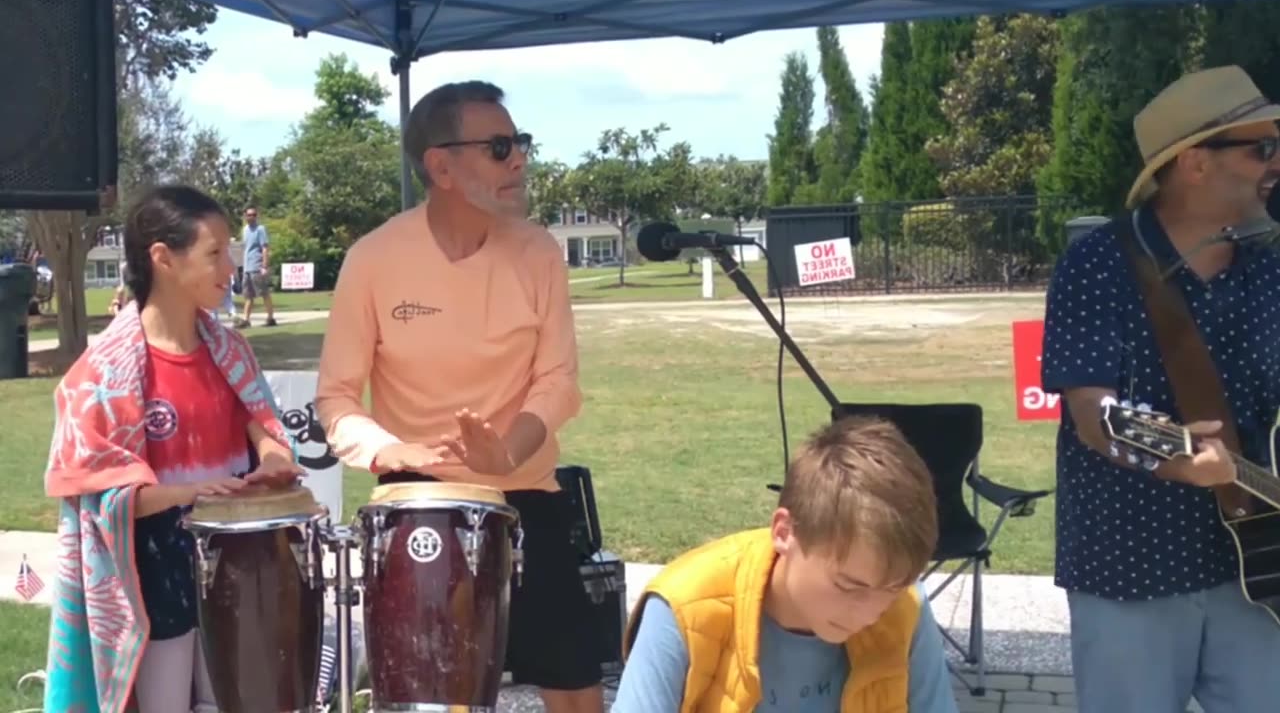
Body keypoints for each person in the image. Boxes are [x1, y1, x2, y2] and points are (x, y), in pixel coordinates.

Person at [314, 81, 599, 713]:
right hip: (417, 498)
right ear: (440, 166)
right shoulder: (372, 259)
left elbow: (559, 382)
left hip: (526, 490)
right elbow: (336, 400)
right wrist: (400, 450)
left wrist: (505, 454)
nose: (519, 160)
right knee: (434, 695)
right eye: (500, 147)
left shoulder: (540, 253)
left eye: (519, 143)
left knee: (577, 688)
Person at [1040, 65, 1280, 713]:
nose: (1276, 162)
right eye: (1262, 147)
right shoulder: (1097, 268)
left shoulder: (1270, 265)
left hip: (1260, 569)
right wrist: (1177, 455)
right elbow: (1094, 415)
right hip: (1130, 570)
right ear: (1195, 162)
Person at [41, 184, 303, 713]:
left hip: (238, 567)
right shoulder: (103, 374)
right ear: (162, 257)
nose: (230, 266)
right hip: (155, 574)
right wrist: (190, 491)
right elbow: (105, 494)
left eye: (230, 249)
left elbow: (267, 433)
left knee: (235, 696)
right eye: (214, 252)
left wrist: (275, 464)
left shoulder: (230, 351)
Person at [611, 416, 956, 713]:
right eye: (849, 586)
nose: (869, 614)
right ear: (785, 532)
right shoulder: (685, 607)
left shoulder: (906, 605)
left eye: (890, 589)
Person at [238, 206, 277, 328]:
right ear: (245, 216)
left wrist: (264, 265)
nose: (252, 217)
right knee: (248, 295)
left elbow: (265, 247)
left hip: (257, 265)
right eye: (249, 215)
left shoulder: (260, 229)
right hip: (247, 267)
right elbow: (245, 248)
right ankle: (246, 319)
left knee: (264, 292)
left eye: (254, 215)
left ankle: (270, 318)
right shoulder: (245, 230)